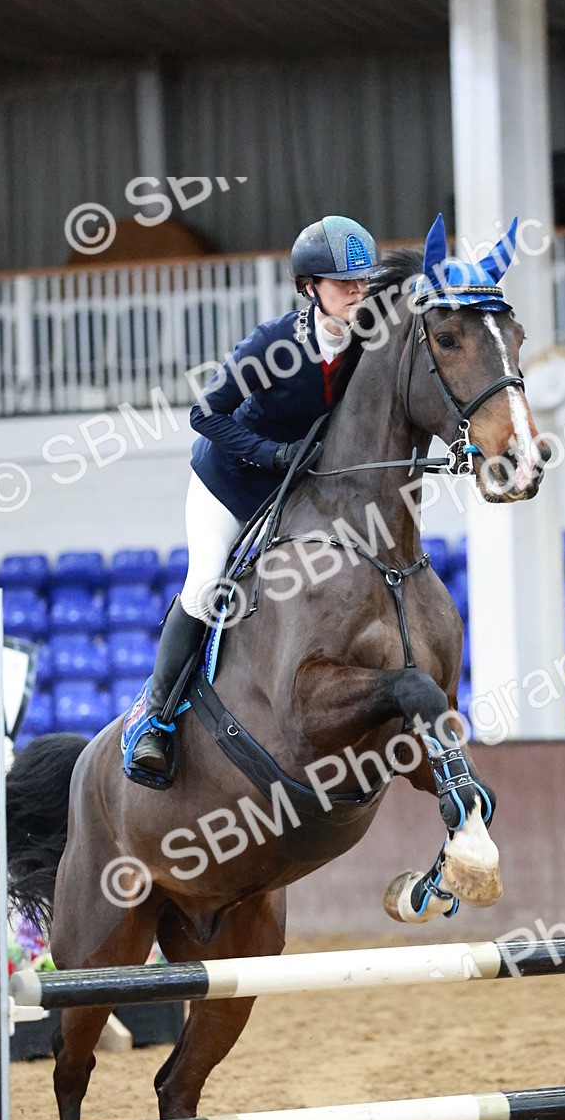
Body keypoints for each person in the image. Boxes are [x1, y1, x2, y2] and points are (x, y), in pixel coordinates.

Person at [127, 215, 380, 784]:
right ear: (311, 288)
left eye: (363, 282)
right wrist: (270, 455)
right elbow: (204, 414)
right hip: (231, 486)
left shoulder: (369, 344)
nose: (358, 293)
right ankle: (157, 722)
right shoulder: (273, 345)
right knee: (207, 585)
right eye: (345, 284)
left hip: (299, 493)